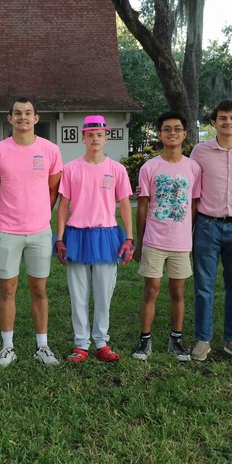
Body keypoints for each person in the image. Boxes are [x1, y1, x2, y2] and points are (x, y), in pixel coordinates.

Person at [0, 97, 63, 367]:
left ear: (36, 118)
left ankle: (42, 346)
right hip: (7, 230)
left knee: (39, 289)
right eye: (17, 113)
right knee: (7, 289)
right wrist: (10, 213)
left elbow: (53, 189)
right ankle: (8, 347)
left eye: (28, 113)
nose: (23, 117)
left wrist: (40, 214)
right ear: (10, 118)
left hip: (40, 231)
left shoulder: (50, 150)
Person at [55, 116, 135, 363]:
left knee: (103, 292)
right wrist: (59, 239)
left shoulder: (117, 169)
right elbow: (63, 206)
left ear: (106, 137)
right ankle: (81, 343)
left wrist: (129, 238)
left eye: (99, 135)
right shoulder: (70, 169)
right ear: (83, 137)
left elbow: (124, 204)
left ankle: (101, 341)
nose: (95, 139)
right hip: (77, 234)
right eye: (90, 135)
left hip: (106, 234)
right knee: (78, 292)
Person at [189, 100, 232, 362]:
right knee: (204, 287)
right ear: (214, 122)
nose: (227, 122)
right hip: (207, 225)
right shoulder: (200, 151)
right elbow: (192, 189)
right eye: (222, 118)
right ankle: (203, 339)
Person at [133, 113, 202, 361]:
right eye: (166, 129)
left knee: (178, 291)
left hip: (181, 243)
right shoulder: (150, 167)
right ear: (160, 135)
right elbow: (142, 207)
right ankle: (144, 340)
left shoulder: (193, 167)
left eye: (177, 129)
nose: (172, 133)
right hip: (154, 240)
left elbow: (194, 206)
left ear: (185, 134)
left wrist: (187, 235)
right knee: (151, 290)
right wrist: (139, 243)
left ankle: (176, 339)